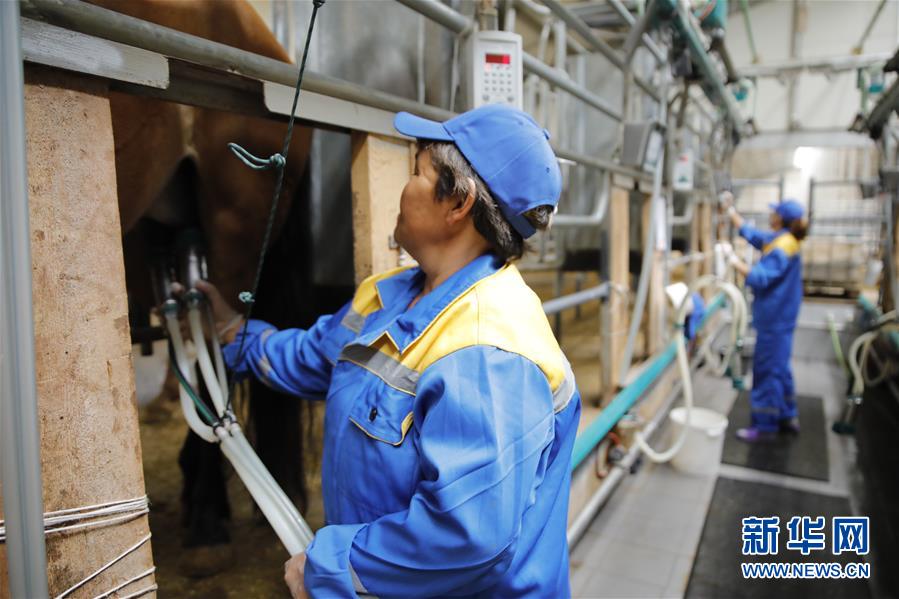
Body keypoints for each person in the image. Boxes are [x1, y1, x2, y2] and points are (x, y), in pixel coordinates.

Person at [198, 104, 581, 597]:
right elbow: (317, 357)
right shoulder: (389, 295)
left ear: (458, 203)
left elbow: (465, 537)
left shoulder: (488, 352)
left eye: (417, 172)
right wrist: (235, 332)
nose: (406, 187)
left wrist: (330, 567)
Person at [723, 193, 807, 442]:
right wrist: (731, 213)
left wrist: (731, 260)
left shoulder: (782, 248)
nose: (770, 214)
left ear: (780, 218)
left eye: (774, 211)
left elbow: (760, 277)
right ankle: (787, 414)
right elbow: (758, 238)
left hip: (775, 320)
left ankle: (765, 425)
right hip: (782, 318)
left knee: (766, 370)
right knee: (780, 368)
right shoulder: (784, 239)